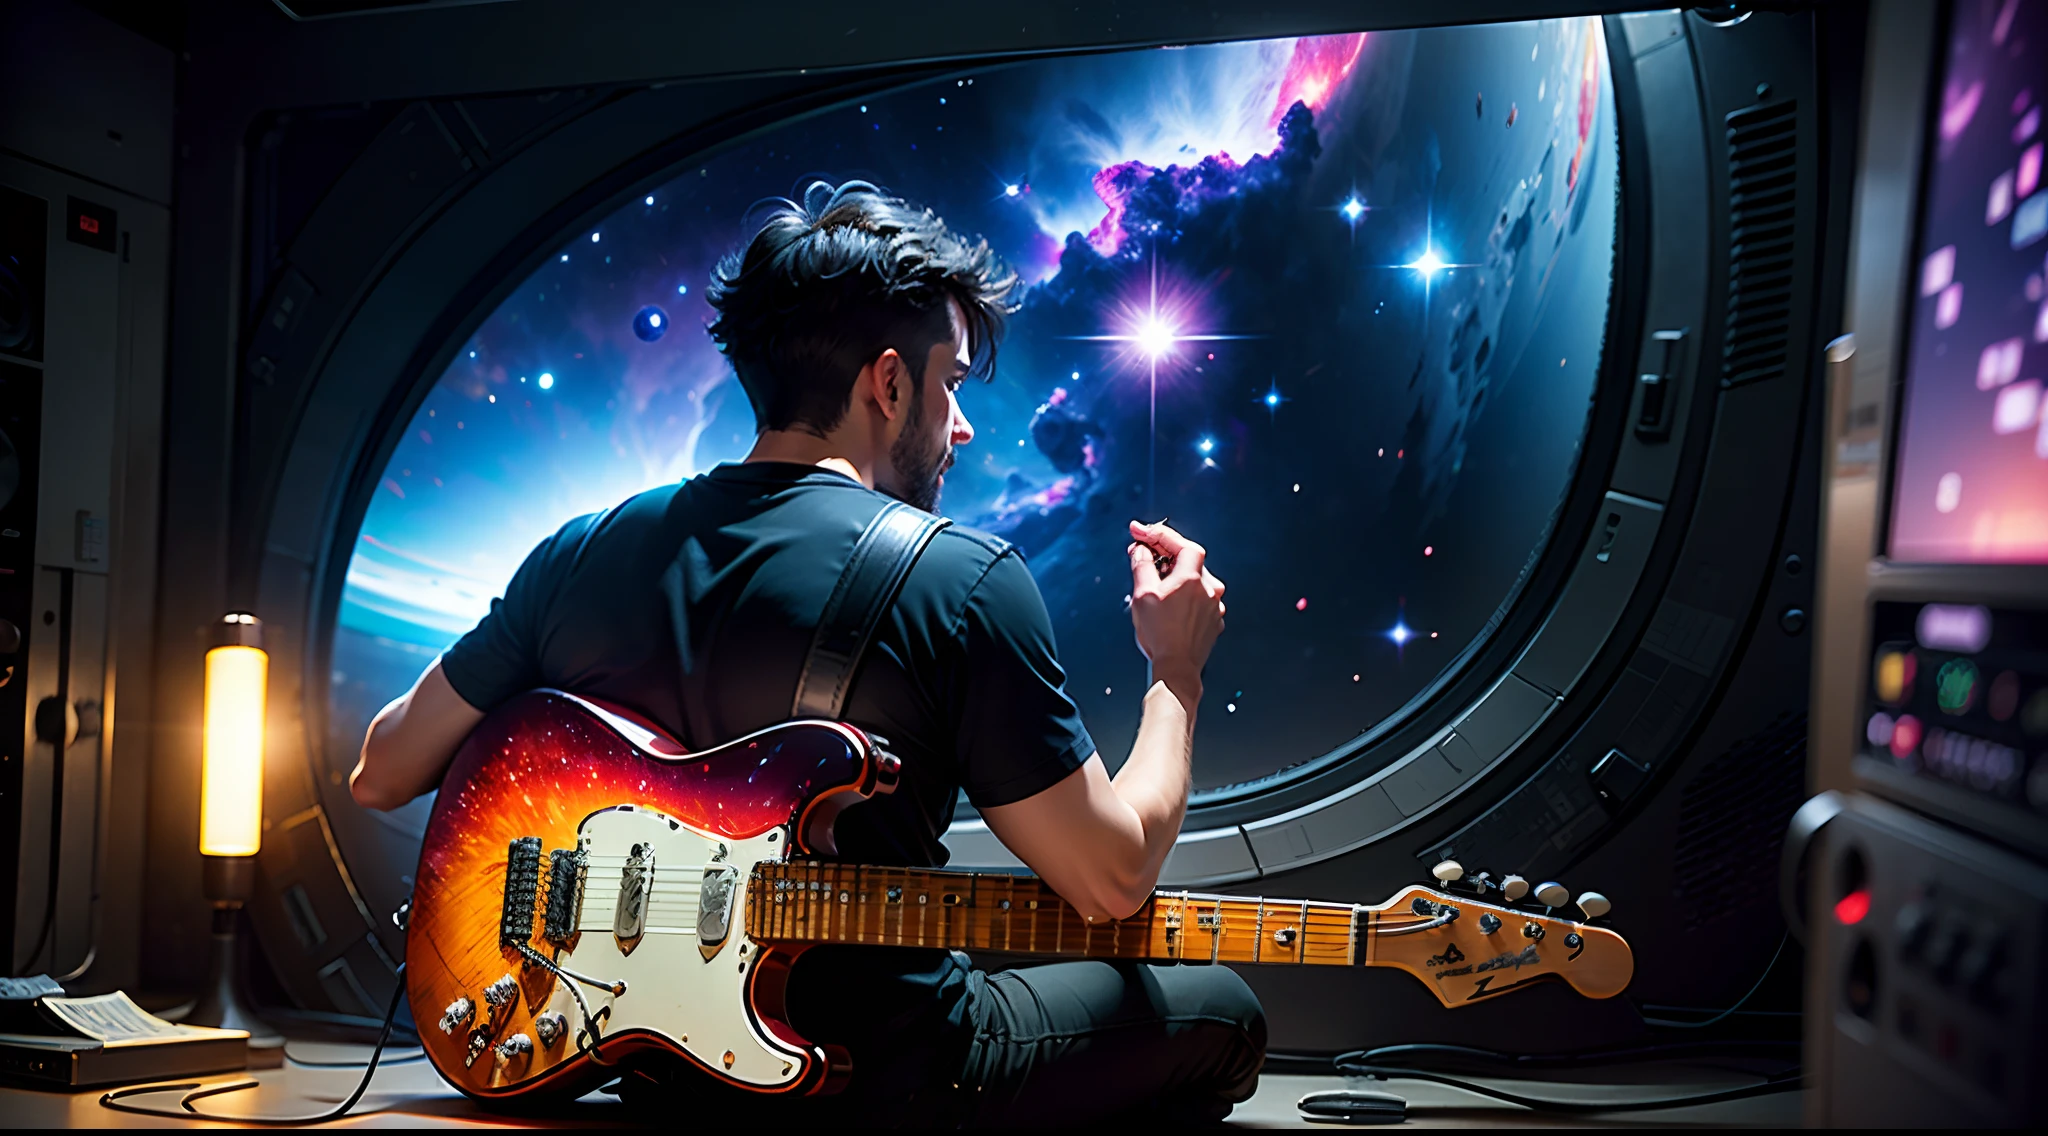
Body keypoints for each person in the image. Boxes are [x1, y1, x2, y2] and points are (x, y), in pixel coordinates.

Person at [349, 181, 1261, 1125]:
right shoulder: (961, 580)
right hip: (885, 1070)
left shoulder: (580, 549)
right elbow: (1110, 880)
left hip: (650, 1068)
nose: (962, 427)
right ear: (889, 382)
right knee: (1224, 1013)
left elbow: (383, 769)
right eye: (949, 385)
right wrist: (1175, 677)